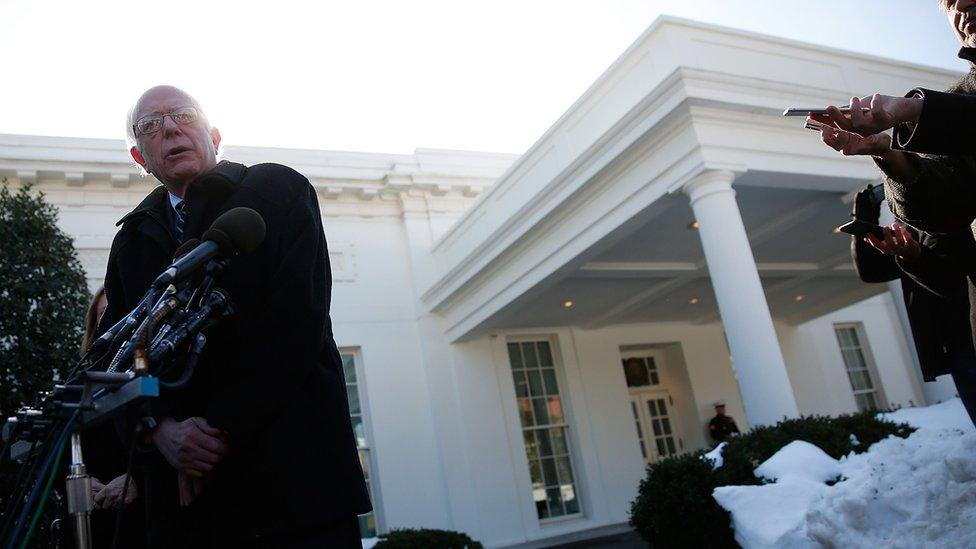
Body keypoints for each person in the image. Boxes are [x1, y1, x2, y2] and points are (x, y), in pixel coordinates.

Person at [99, 85, 370, 547]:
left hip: (293, 490)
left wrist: (214, 430)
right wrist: (158, 431)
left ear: (215, 134)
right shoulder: (132, 242)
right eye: (150, 125)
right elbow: (121, 359)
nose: (168, 128)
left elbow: (295, 324)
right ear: (139, 156)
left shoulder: (275, 190)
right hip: (189, 511)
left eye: (183, 114)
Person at [847, 186, 976, 424]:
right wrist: (863, 217)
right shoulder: (906, 231)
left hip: (968, 335)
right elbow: (871, 270)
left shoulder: (948, 211)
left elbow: (949, 275)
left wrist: (915, 255)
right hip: (956, 345)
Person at [73, 286, 144, 547]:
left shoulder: (152, 377)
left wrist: (137, 479)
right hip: (92, 525)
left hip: (139, 524)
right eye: (104, 318)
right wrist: (79, 481)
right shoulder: (81, 382)